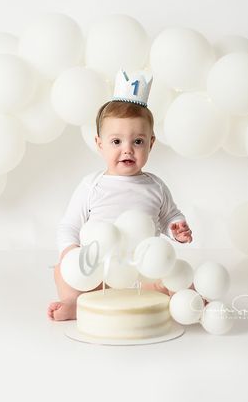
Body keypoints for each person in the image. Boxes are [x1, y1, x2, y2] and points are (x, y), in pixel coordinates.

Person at [47, 69, 193, 321]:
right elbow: (69, 225)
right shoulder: (91, 186)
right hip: (100, 272)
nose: (127, 149)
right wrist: (71, 253)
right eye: (116, 142)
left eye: (137, 141)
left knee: (175, 274)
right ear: (99, 143)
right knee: (61, 271)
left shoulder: (155, 186)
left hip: (140, 269)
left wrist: (176, 227)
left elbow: (170, 214)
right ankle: (74, 303)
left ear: (151, 143)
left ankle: (171, 296)